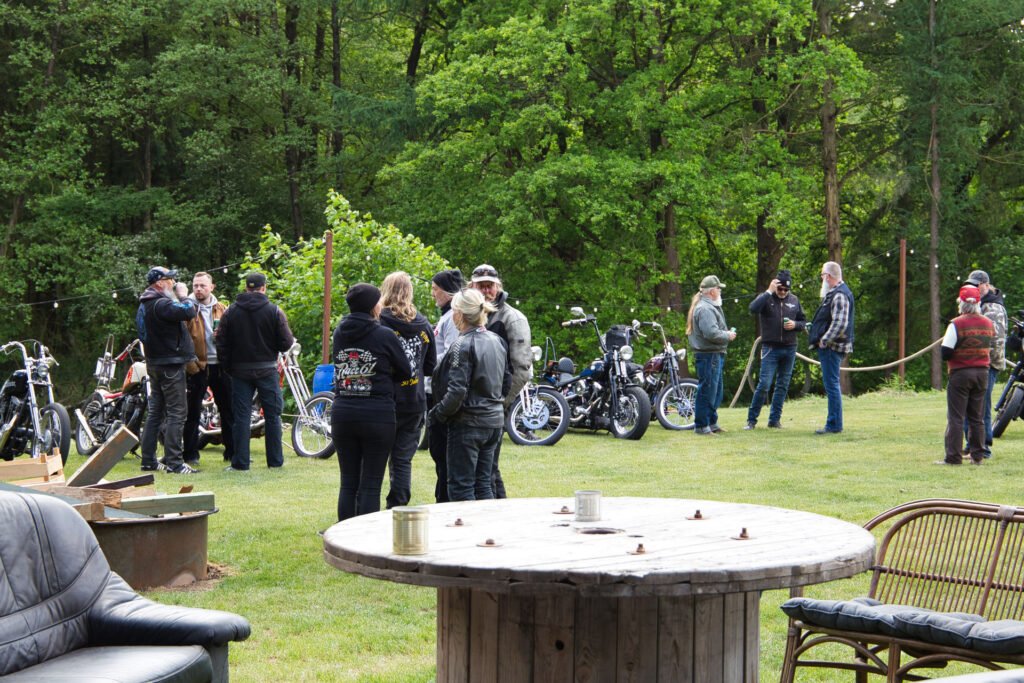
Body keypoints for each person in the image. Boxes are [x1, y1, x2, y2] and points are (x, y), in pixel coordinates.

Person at [331, 283, 412, 520]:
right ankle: (364, 538)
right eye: (378, 300)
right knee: (370, 483)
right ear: (371, 305)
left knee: (348, 483)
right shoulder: (384, 335)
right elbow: (406, 371)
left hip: (344, 411)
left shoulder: (339, 332)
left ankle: (343, 536)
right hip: (377, 413)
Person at [428, 288, 508, 501]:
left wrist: (438, 414)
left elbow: (457, 391)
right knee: (484, 484)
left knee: (461, 486)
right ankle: (487, 530)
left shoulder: (461, 345)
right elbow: (506, 382)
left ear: (460, 314)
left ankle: (468, 532)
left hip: (468, 423)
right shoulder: (497, 340)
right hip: (493, 421)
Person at [215, 272, 294, 471]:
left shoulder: (231, 312)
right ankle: (275, 461)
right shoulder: (275, 311)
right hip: (267, 369)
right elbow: (286, 343)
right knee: (273, 415)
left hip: (240, 371)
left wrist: (228, 367)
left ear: (246, 288)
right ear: (264, 288)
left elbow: (221, 342)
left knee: (241, 417)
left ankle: (240, 462)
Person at [470, 264, 531, 498]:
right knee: (482, 470)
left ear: (498, 287)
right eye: (480, 285)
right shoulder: (470, 315)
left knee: (488, 469)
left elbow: (522, 368)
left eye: (490, 286)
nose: (486, 290)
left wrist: (502, 402)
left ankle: (499, 512)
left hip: (494, 405)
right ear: (471, 287)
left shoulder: (512, 318)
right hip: (475, 406)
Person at [379, 272, 436, 509]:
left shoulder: (379, 322)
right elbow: (431, 366)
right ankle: (398, 505)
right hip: (414, 400)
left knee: (375, 458)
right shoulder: (423, 324)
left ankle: (366, 506)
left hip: (385, 401)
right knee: (402, 460)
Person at [136, 266, 198, 474]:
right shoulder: (161, 303)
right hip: (170, 364)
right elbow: (189, 311)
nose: (173, 283)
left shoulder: (145, 304)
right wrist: (183, 295)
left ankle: (148, 460)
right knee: (177, 413)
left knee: (155, 413)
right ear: (160, 283)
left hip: (154, 363)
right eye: (170, 280)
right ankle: (175, 462)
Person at [939, 285, 994, 465]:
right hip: (982, 373)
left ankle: (953, 457)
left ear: (961, 303)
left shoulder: (956, 323)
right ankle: (977, 455)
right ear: (978, 303)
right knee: (976, 417)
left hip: (961, 374)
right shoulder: (988, 323)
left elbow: (945, 352)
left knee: (956, 417)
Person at [182, 271, 233, 466]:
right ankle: (190, 454)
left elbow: (231, 336)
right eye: (195, 285)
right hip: (198, 366)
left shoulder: (222, 309)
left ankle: (232, 452)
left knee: (228, 411)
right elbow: (182, 339)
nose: (198, 289)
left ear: (212, 287)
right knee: (193, 412)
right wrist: (191, 365)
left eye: (202, 285)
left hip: (220, 366)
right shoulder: (186, 309)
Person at [745, 270, 806, 429]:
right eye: (780, 289)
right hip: (770, 348)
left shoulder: (794, 300)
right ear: (775, 286)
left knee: (782, 385)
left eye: (786, 290)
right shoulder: (767, 299)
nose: (783, 292)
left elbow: (803, 322)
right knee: (764, 384)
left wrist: (796, 325)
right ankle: (751, 420)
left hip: (790, 347)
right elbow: (752, 308)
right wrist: (768, 292)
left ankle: (774, 420)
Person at [427, 268, 464, 503]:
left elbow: (452, 354)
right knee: (438, 453)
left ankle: (445, 501)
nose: (432, 294)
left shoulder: (452, 317)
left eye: (435, 289)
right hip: (436, 390)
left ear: (447, 292)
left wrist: (426, 361)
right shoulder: (445, 315)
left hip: (442, 392)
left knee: (442, 453)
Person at [962, 270, 1007, 458]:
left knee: (981, 406)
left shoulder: (993, 308)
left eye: (977, 284)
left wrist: (978, 357)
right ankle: (971, 444)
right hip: (976, 363)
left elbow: (994, 339)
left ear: (986, 284)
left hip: (987, 364)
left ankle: (983, 446)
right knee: (970, 405)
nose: (974, 288)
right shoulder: (980, 304)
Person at [686, 275, 737, 435]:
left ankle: (712, 423)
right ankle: (702, 426)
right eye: (718, 288)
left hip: (713, 354)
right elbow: (711, 333)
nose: (720, 291)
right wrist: (727, 335)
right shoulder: (705, 309)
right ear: (711, 291)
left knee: (716, 390)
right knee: (707, 390)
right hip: (708, 355)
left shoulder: (709, 306)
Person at [808, 261, 854, 434]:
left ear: (828, 276)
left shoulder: (839, 294)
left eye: (822, 275)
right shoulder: (836, 293)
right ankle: (834, 423)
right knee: (832, 384)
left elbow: (840, 323)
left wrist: (824, 340)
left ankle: (834, 425)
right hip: (832, 346)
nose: (822, 278)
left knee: (831, 385)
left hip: (832, 347)